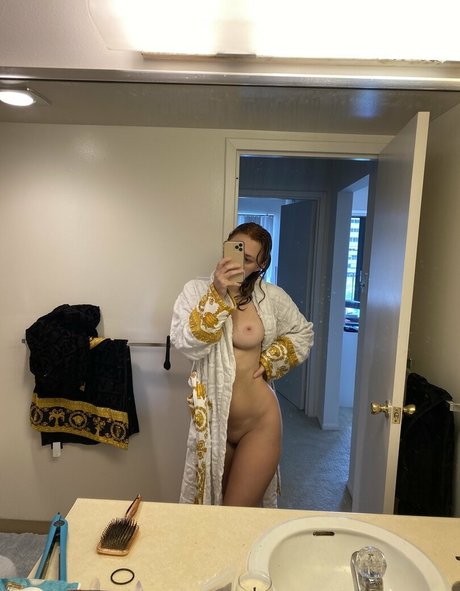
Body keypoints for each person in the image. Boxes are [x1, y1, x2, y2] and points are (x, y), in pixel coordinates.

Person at [170, 222, 314, 507]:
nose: (236, 262)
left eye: (247, 259)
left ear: (262, 264)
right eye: (234, 251)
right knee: (210, 511)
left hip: (259, 422)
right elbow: (186, 343)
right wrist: (217, 293)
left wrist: (271, 361)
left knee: (237, 513)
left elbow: (303, 333)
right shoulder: (196, 291)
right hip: (213, 426)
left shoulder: (271, 297)